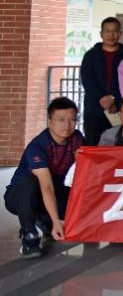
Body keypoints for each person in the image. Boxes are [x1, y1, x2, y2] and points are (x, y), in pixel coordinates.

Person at [4, 98, 82, 258]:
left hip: (55, 190)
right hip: (21, 196)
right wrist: (56, 221)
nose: (67, 125)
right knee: (30, 182)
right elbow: (46, 186)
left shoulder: (77, 138)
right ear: (50, 121)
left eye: (72, 119)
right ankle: (29, 236)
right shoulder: (38, 146)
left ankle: (43, 222)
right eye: (61, 120)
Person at [80, 16, 123, 145]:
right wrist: (102, 98)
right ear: (101, 33)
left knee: (120, 145)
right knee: (94, 144)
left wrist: (113, 98)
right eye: (107, 31)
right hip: (94, 109)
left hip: (121, 108)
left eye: (115, 31)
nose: (111, 35)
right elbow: (87, 81)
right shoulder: (91, 55)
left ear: (120, 33)